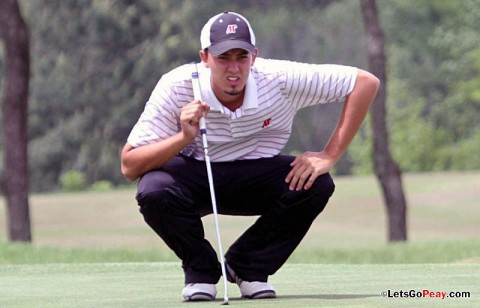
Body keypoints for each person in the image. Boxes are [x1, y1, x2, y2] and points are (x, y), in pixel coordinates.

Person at [121, 11, 379, 302]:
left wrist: (330, 154)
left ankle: (248, 267)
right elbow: (130, 166)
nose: (234, 68)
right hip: (197, 175)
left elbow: (364, 82)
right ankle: (201, 272)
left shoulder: (279, 78)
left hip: (256, 176)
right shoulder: (177, 86)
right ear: (204, 58)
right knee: (154, 188)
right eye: (223, 57)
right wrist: (183, 137)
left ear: (254, 56)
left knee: (317, 182)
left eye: (241, 57)